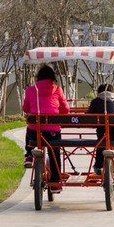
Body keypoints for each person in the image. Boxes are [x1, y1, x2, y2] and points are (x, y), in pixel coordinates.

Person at [23, 65, 70, 193]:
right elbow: (66, 110)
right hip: (52, 132)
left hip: (35, 131)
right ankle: (55, 183)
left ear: (38, 77)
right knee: (54, 154)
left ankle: (29, 155)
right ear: (52, 77)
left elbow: (25, 109)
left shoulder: (31, 90)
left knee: (30, 129)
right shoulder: (57, 90)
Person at [86, 83, 114, 192]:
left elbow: (87, 118)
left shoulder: (95, 101)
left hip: (103, 133)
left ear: (98, 92)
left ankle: (98, 166)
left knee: (101, 142)